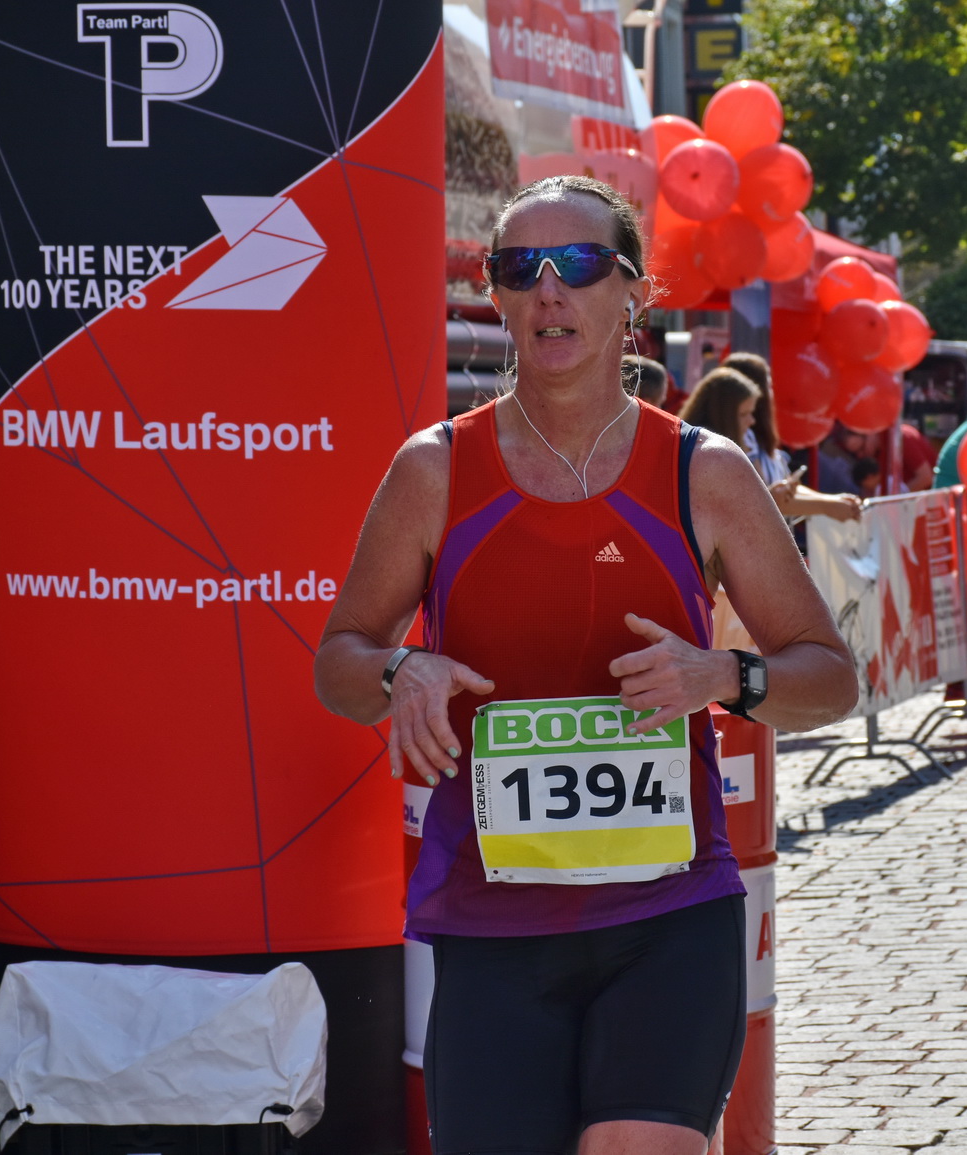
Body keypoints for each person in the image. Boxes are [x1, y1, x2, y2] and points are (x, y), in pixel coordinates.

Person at [313, 175, 857, 1155]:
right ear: (496, 296)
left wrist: (724, 679)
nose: (550, 291)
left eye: (579, 266)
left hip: (669, 917)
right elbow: (339, 663)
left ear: (632, 295)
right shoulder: (432, 471)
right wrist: (404, 674)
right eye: (522, 269)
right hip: (489, 928)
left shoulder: (706, 473)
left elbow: (828, 674)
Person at [717, 352, 860, 522]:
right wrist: (828, 506)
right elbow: (769, 499)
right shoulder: (741, 439)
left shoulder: (756, 437)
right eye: (769, 385)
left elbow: (787, 487)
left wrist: (833, 501)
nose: (773, 392)